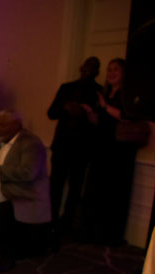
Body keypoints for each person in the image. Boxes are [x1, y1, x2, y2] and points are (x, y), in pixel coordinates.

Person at [0, 110, 51, 272]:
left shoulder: (30, 143)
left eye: (3, 125)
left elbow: (28, 173)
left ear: (16, 125)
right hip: (1, 196)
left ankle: (7, 259)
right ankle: (1, 256)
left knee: (8, 227)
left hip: (21, 196)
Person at [81, 58, 138, 246]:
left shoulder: (127, 95)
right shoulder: (104, 92)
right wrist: (91, 112)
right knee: (95, 189)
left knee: (113, 192)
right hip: (101, 147)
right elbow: (100, 121)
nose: (111, 73)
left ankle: (109, 234)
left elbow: (127, 117)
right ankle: (91, 231)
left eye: (115, 69)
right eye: (109, 70)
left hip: (119, 152)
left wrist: (105, 106)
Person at [47, 57, 102, 238]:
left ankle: (67, 224)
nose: (87, 70)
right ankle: (50, 220)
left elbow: (100, 123)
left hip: (82, 149)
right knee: (55, 185)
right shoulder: (67, 88)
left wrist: (86, 113)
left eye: (92, 68)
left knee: (75, 188)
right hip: (62, 146)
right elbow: (51, 113)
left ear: (96, 72)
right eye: (86, 66)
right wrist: (66, 109)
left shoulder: (98, 92)